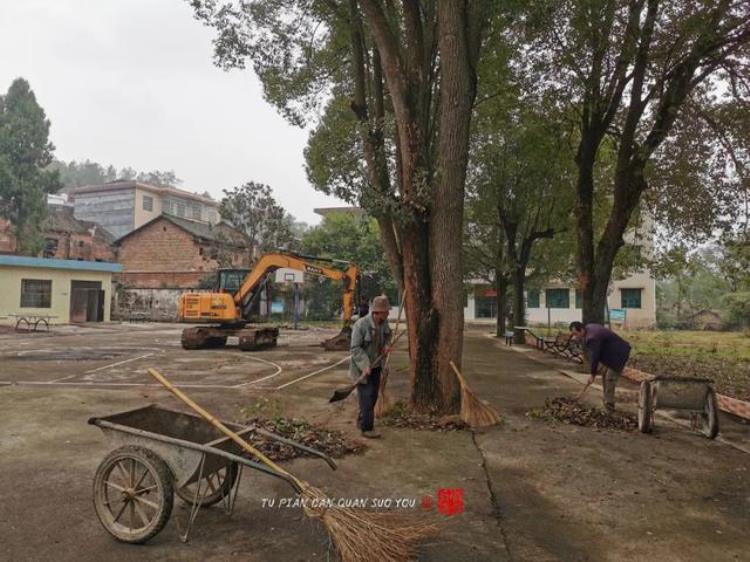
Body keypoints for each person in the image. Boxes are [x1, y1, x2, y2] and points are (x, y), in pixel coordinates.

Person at [349, 294, 391, 438]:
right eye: (386, 312)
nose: (388, 314)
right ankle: (367, 429)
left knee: (372, 396)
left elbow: (387, 336)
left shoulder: (384, 323)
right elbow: (355, 348)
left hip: (377, 365)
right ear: (376, 312)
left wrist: (386, 346)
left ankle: (362, 419)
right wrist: (365, 365)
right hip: (361, 369)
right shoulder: (360, 325)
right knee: (366, 397)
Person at [569, 321, 631, 412]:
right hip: (611, 353)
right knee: (605, 374)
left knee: (609, 378)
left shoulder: (592, 338)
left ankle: (609, 406)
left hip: (619, 354)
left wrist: (592, 374)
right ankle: (607, 400)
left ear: (582, 330)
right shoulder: (589, 327)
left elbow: (595, 356)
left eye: (576, 333)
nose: (575, 336)